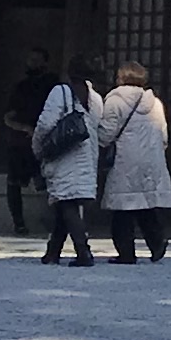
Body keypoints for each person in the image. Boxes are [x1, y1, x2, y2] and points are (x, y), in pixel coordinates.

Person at [92, 60, 171, 263]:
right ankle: (157, 242)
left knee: (122, 210)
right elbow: (163, 136)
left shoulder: (115, 101)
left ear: (120, 77)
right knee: (146, 206)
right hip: (151, 160)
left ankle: (126, 253)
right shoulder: (155, 103)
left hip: (125, 160)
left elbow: (106, 135)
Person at [36, 60, 109, 266]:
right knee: (66, 200)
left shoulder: (61, 92)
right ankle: (53, 251)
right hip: (87, 151)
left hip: (65, 151)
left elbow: (46, 123)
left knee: (67, 200)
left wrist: (38, 145)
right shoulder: (95, 98)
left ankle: (83, 252)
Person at [0, 46, 55, 237]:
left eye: (37, 60)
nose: (33, 64)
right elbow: (8, 116)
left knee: (49, 182)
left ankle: (55, 222)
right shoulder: (20, 87)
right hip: (20, 140)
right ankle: (19, 223)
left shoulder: (53, 86)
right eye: (31, 60)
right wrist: (24, 128)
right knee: (14, 183)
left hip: (46, 138)